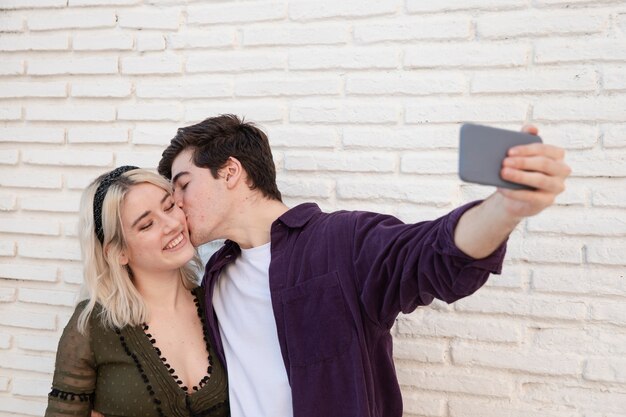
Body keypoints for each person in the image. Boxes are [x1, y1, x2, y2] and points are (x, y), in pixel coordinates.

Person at [157, 115, 571, 417]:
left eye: (183, 185)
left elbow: (433, 255)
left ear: (230, 172)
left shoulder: (341, 241)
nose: (176, 202)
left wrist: (505, 208)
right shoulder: (214, 275)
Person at [45, 167, 229, 417]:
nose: (172, 224)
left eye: (169, 206)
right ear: (118, 252)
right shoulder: (91, 327)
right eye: (146, 225)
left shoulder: (218, 303)